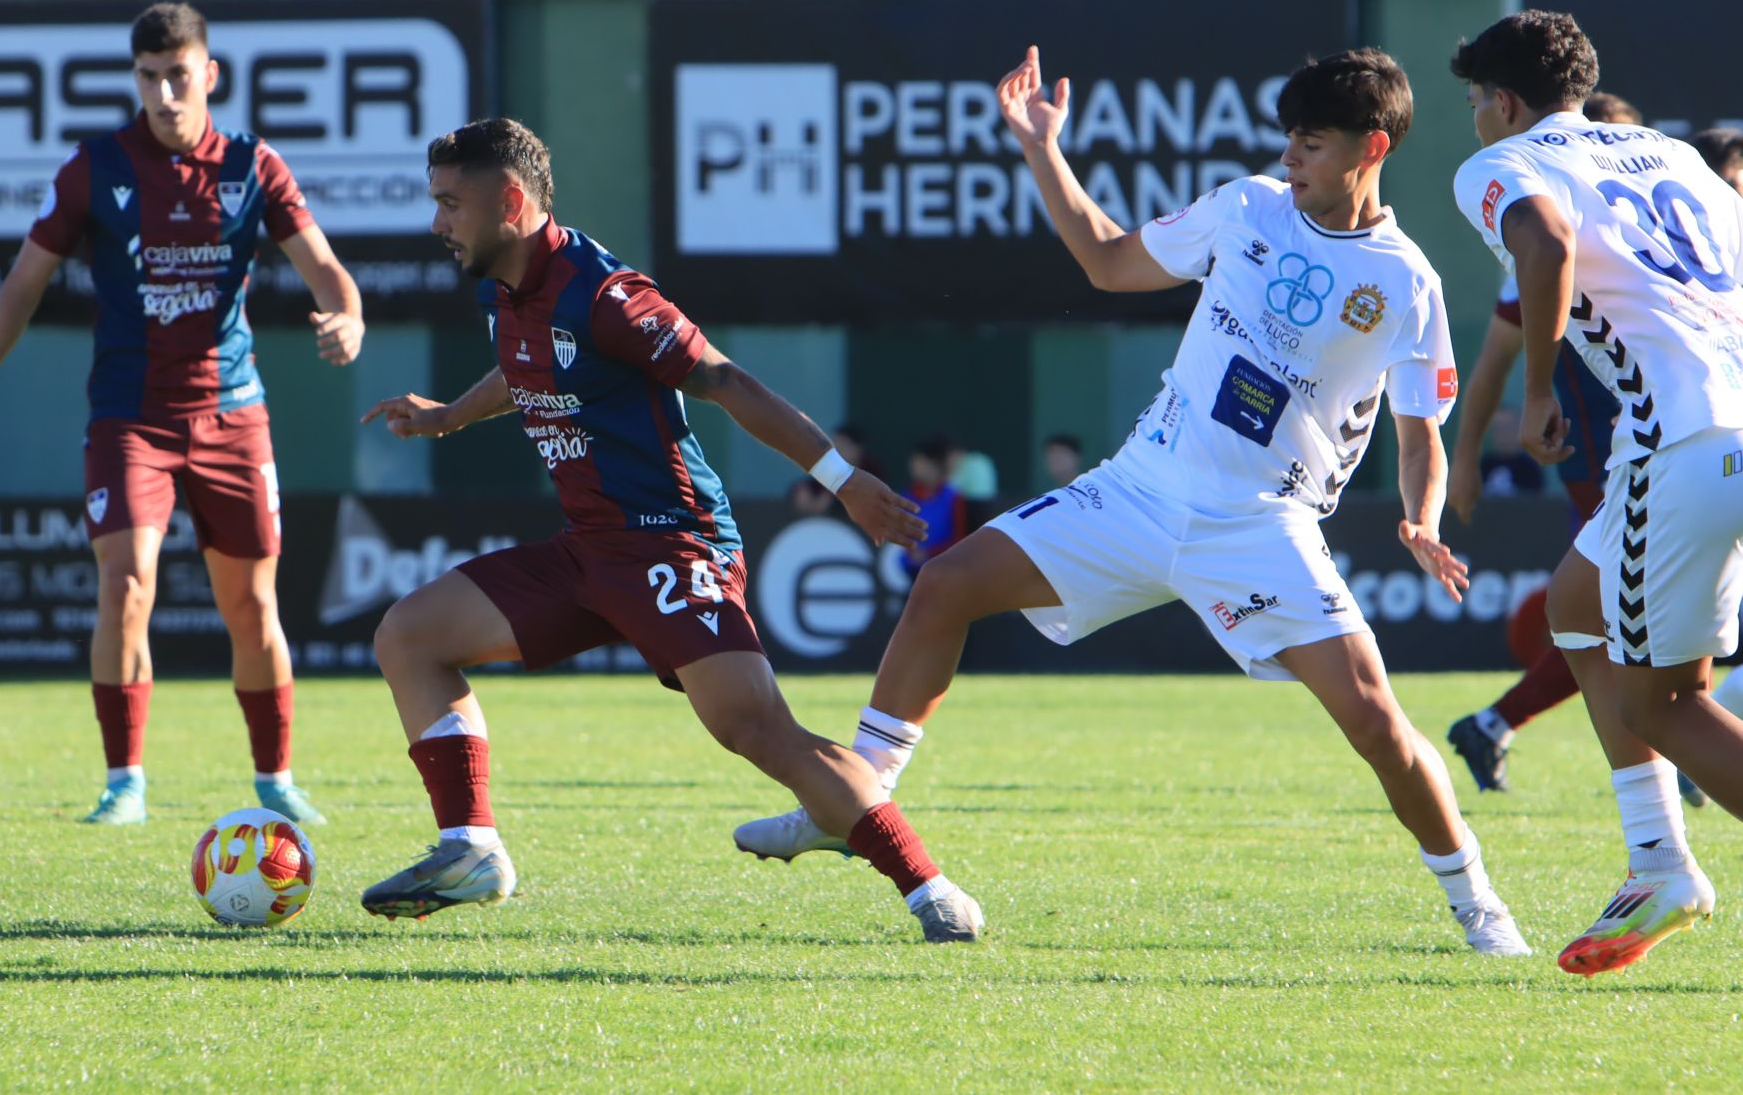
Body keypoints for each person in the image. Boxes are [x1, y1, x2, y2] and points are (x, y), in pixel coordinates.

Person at [737, 46, 1531, 956]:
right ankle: (857, 798)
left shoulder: (1406, 282)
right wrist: (1042, 147)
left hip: (1261, 524)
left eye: (1311, 145)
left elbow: (1420, 431)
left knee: (1379, 725)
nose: (1290, 159)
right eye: (1289, 141)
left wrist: (1422, 517)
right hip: (1137, 490)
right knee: (945, 584)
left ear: (1372, 148)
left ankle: (1479, 906)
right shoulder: (1245, 207)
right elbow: (1109, 264)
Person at [355, 118, 984, 942]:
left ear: (510, 202)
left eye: (450, 204)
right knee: (409, 635)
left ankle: (930, 889)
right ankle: (470, 848)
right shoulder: (503, 286)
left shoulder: (606, 292)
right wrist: (449, 419)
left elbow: (723, 377)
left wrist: (844, 481)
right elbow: (527, 365)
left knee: (756, 730)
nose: (437, 222)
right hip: (587, 551)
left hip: (670, 543)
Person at [0, 2, 364, 827]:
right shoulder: (96, 169)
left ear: (209, 74)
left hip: (233, 414)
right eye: (147, 77)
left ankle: (274, 779)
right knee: (126, 585)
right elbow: (23, 287)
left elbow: (330, 274)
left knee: (252, 606)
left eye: (178, 75)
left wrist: (346, 317)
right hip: (130, 418)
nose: (164, 94)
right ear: (133, 78)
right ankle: (124, 780)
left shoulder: (252, 167)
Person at [1449, 9, 1743, 975]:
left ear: (1501, 100)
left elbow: (1544, 243)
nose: (1474, 122)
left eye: (1474, 104)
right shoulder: (1670, 153)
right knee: (1578, 606)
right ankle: (1657, 859)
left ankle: (1667, 869)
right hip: (1721, 415)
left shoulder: (1503, 163)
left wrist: (1537, 391)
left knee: (1667, 704)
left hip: (1686, 435)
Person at [1443, 96, 1632, 793]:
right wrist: (1464, 461)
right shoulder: (1547, 243)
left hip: (1682, 443)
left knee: (1621, 616)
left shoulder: (1675, 236)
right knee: (1609, 616)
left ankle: (1494, 725)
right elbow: (1492, 363)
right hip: (1600, 457)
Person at [902, 436, 969, 574]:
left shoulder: (954, 498)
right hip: (910, 574)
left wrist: (930, 554)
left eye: (920, 461)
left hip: (945, 572)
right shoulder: (905, 498)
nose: (913, 465)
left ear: (935, 465)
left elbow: (960, 540)